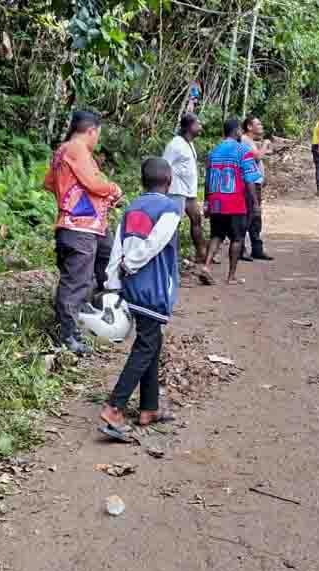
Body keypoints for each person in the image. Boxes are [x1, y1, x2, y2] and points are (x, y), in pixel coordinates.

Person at [98, 158, 181, 442]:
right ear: (168, 181)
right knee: (146, 345)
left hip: (131, 287)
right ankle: (114, 407)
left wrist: (113, 281)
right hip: (151, 287)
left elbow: (117, 246)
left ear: (142, 181)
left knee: (151, 340)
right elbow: (155, 242)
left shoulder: (132, 208)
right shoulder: (169, 209)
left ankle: (149, 408)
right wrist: (131, 264)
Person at [44, 111, 123, 355]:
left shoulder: (64, 151)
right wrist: (113, 189)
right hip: (79, 227)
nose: (97, 139)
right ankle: (66, 336)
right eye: (98, 134)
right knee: (75, 282)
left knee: (109, 261)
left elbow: (50, 183)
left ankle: (97, 313)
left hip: (89, 226)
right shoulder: (76, 148)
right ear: (91, 131)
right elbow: (93, 183)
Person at [200, 119, 261, 285]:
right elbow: (249, 180)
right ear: (237, 132)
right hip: (235, 200)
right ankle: (231, 276)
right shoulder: (243, 151)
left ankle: (206, 267)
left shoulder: (214, 152)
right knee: (237, 238)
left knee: (216, 235)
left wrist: (206, 201)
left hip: (216, 200)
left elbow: (207, 180)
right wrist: (255, 204)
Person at [163, 113, 205, 264]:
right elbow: (165, 166)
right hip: (176, 191)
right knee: (174, 224)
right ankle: (171, 258)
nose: (200, 127)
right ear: (189, 126)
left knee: (197, 219)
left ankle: (201, 253)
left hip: (189, 192)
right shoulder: (175, 144)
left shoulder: (189, 143)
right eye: (197, 124)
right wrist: (164, 190)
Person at [239, 116, 274, 261]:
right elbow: (258, 157)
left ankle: (256, 248)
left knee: (255, 217)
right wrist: (265, 143)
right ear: (249, 126)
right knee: (249, 215)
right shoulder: (244, 140)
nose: (261, 126)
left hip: (255, 183)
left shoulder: (250, 141)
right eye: (257, 124)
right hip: (249, 184)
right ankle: (240, 248)